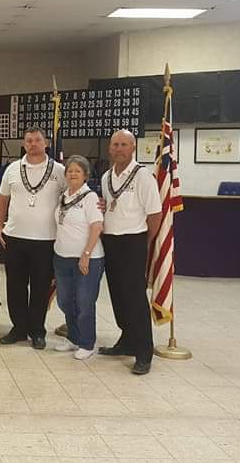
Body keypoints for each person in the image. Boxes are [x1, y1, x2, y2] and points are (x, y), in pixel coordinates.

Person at [0, 126, 66, 350]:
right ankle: (18, 328)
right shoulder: (12, 169)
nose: (33, 144)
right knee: (15, 286)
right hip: (15, 236)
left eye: (37, 140)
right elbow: (2, 199)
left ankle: (37, 331)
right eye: (29, 140)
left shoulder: (60, 170)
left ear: (46, 143)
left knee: (40, 287)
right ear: (24, 144)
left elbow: (72, 196)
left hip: (46, 240)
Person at [98, 130, 161, 375]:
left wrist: (146, 242)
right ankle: (126, 339)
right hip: (111, 240)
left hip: (134, 241)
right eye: (115, 144)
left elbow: (154, 214)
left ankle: (144, 351)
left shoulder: (143, 176)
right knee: (118, 294)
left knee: (135, 297)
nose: (119, 149)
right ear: (109, 148)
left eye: (124, 144)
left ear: (133, 148)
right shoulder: (106, 177)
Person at [52, 155, 105, 360]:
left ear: (85, 175)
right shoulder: (63, 196)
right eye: (69, 171)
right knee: (65, 300)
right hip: (62, 257)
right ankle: (73, 337)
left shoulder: (90, 198)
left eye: (77, 171)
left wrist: (86, 254)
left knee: (84, 302)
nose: (72, 174)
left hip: (87, 259)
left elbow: (97, 226)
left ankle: (87, 342)